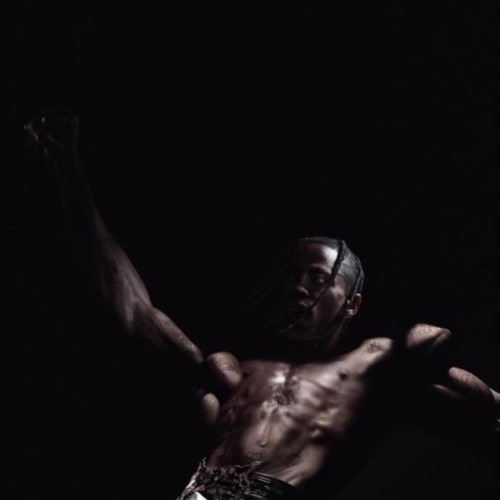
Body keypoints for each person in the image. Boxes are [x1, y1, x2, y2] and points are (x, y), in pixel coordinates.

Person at [25, 109, 499, 500]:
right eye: (292, 276)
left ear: (352, 303)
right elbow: (132, 307)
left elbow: (482, 407)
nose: (297, 288)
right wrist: (67, 165)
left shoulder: (371, 370)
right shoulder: (233, 372)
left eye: (317, 278)